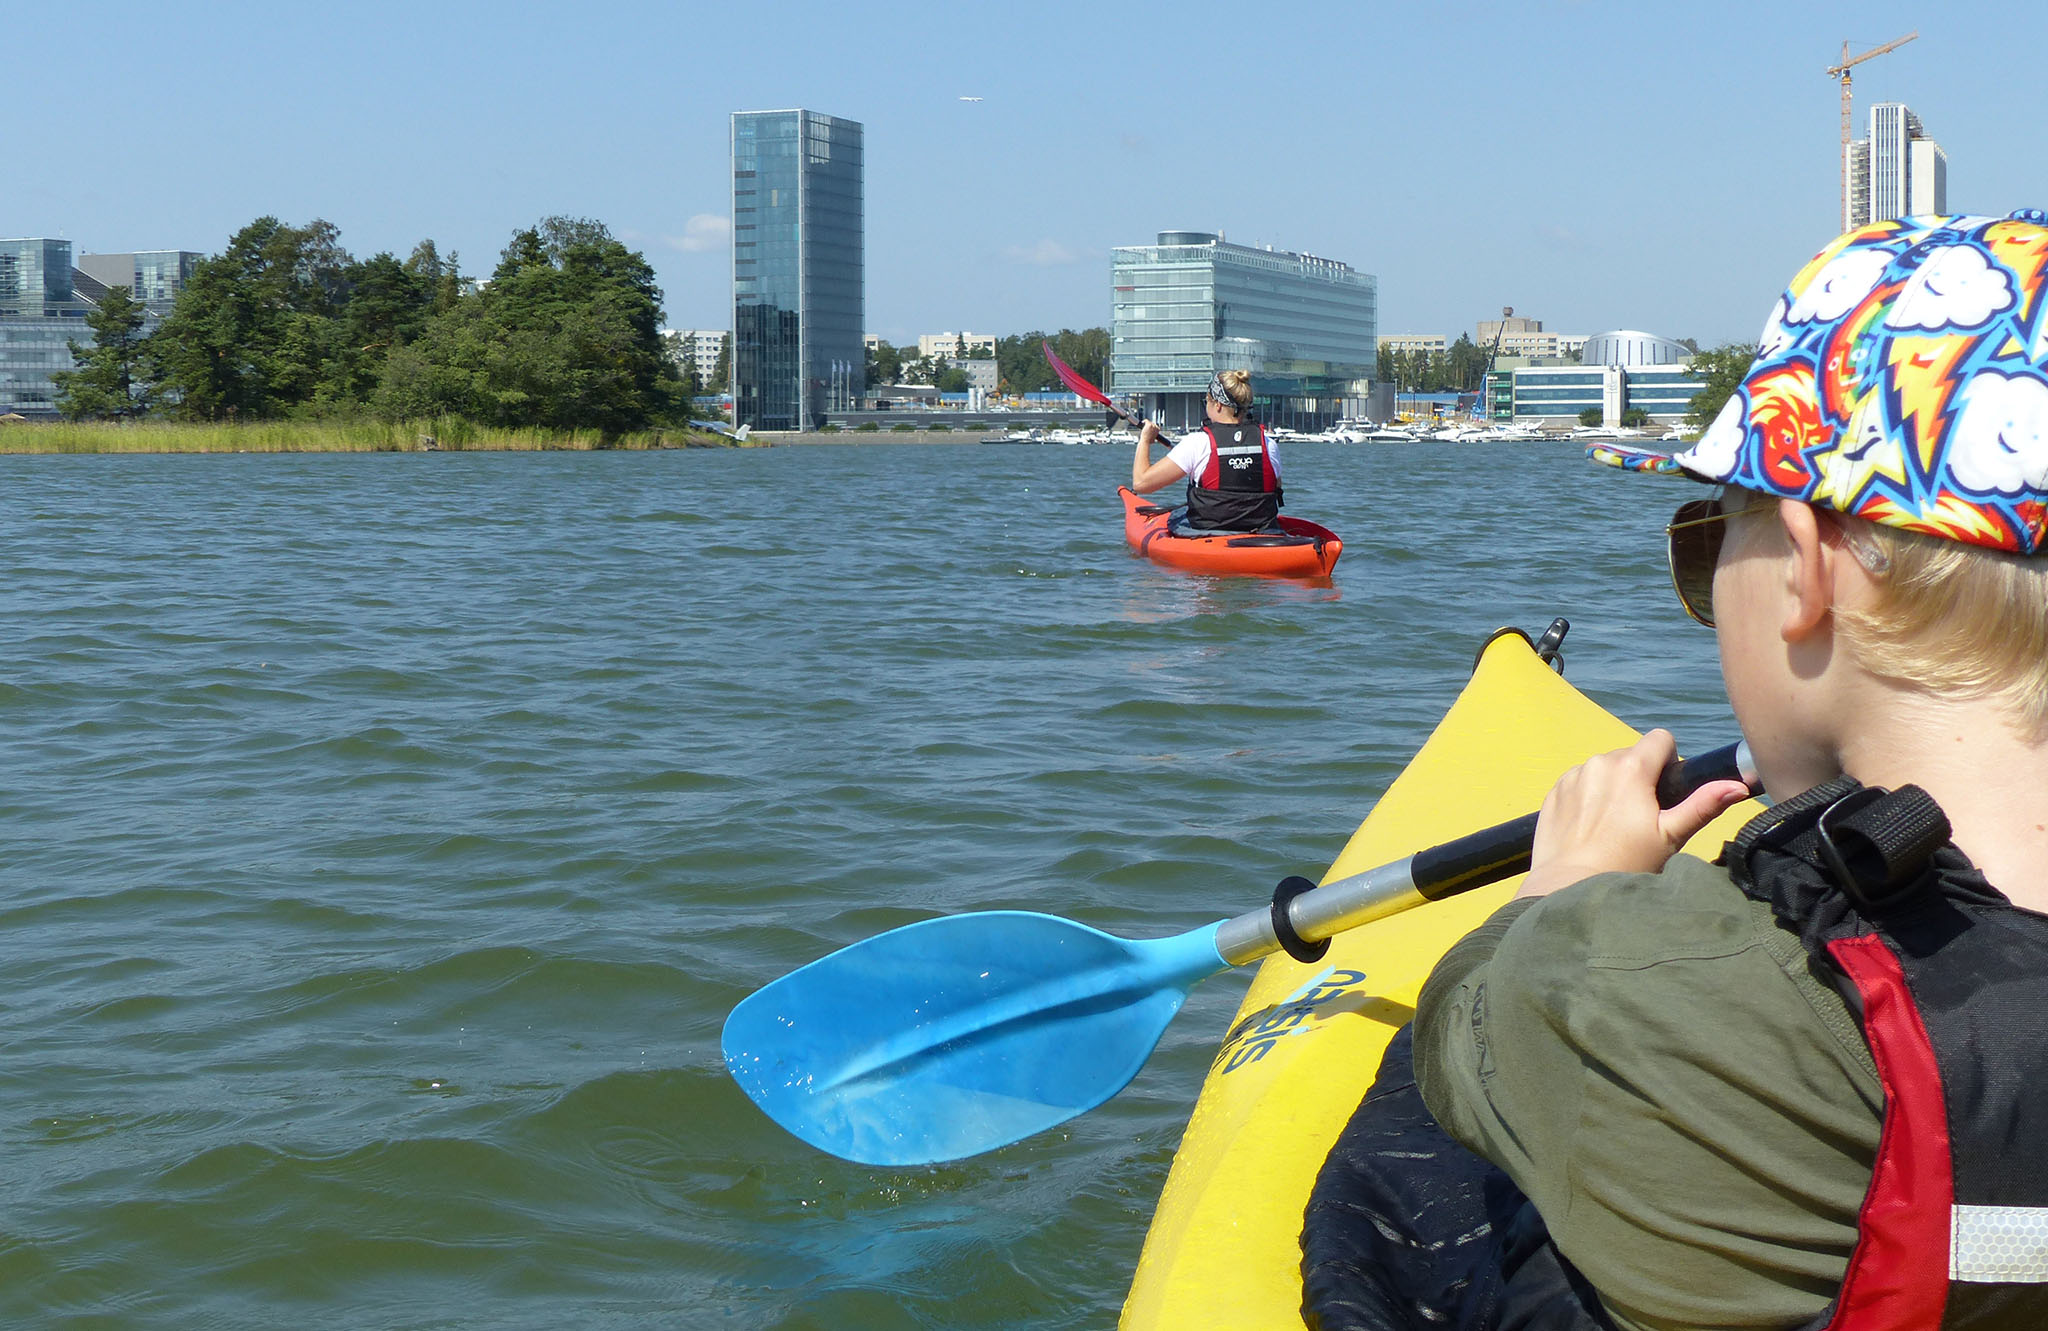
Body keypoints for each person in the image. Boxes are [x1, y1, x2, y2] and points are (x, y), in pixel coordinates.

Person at [1309, 212, 2048, 1331]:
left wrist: (1564, 899)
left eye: (1710, 546)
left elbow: (1477, 1032)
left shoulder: (1664, 995)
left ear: (1804, 568)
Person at [1130, 369, 1283, 534]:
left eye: (1206, 402)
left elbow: (1141, 484)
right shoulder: (1269, 444)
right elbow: (1273, 488)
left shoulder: (1197, 443)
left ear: (1217, 404)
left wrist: (1145, 440)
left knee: (1176, 516)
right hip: (1262, 530)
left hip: (1210, 533)